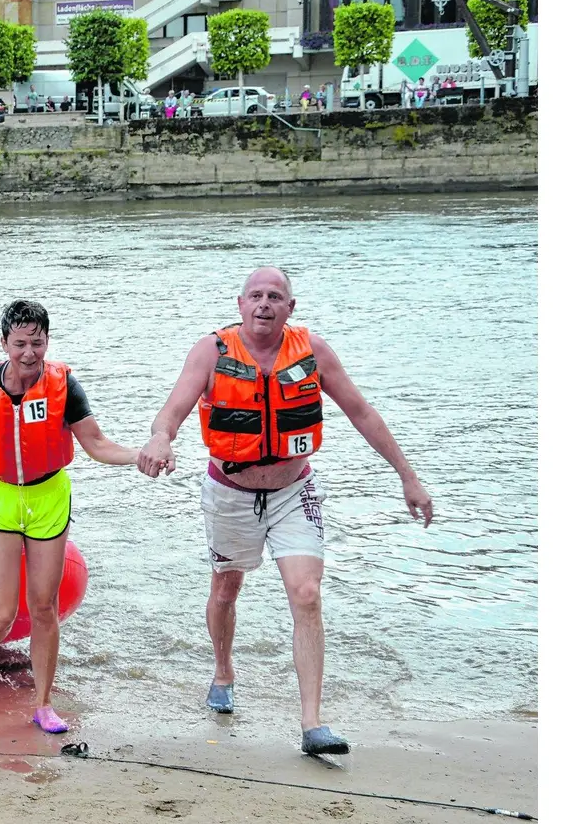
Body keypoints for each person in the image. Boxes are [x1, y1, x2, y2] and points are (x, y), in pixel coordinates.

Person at [136, 267, 434, 757]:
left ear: (290, 308)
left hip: (295, 489)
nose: (264, 304)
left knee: (307, 592)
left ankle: (312, 723)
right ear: (240, 304)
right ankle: (223, 670)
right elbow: (173, 409)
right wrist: (160, 437)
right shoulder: (211, 351)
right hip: (229, 492)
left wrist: (408, 476)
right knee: (226, 589)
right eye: (256, 295)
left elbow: (361, 412)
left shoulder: (313, 351)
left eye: (275, 296)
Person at [0, 300, 141, 734]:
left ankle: (43, 703)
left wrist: (137, 456)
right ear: (4, 343)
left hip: (48, 497)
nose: (30, 353)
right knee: (1, 612)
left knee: (44, 607)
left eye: (37, 343)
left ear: (47, 341)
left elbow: (96, 443)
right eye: (20, 344)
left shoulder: (64, 386)